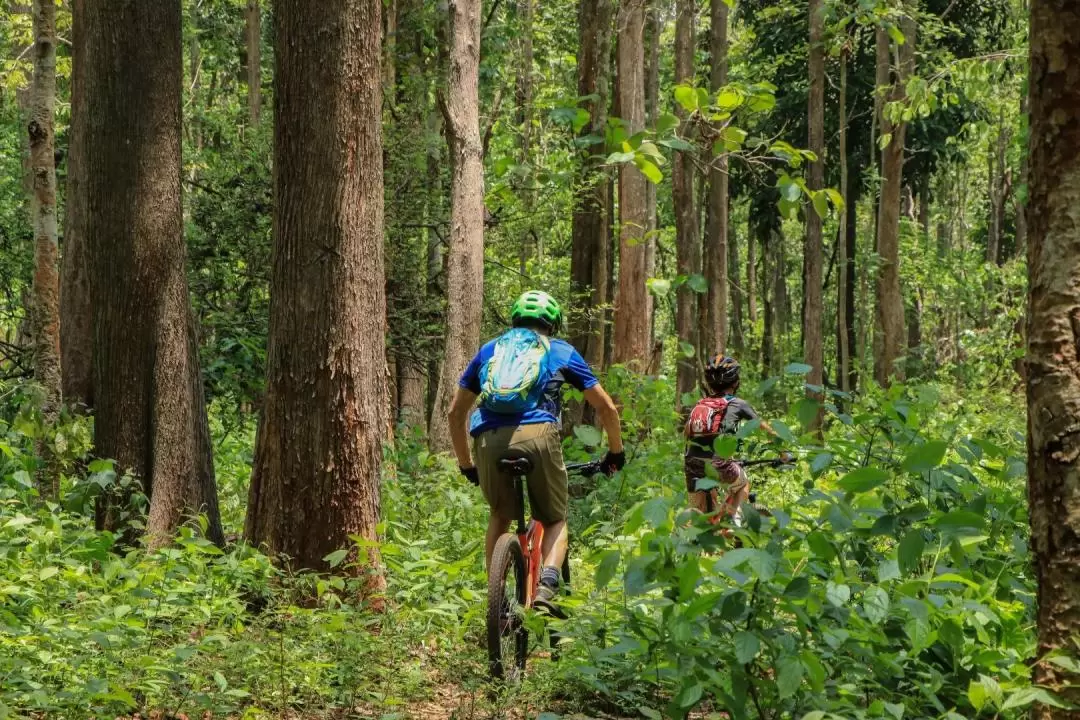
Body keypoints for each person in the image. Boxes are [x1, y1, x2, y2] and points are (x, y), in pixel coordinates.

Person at [448, 290, 625, 611]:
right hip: (539, 435)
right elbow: (606, 408)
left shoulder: (490, 350)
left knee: (500, 516)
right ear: (552, 324)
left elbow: (455, 414)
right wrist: (616, 452)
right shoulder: (560, 351)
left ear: (516, 320)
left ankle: (497, 599)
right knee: (555, 518)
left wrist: (466, 465)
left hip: (488, 437)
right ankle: (547, 584)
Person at [683, 355, 786, 522]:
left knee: (699, 517)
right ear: (736, 382)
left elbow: (687, 433)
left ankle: (695, 539)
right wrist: (783, 452)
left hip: (692, 463)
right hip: (719, 463)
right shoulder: (738, 404)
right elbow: (765, 428)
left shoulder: (700, 404)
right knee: (743, 484)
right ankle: (736, 523)